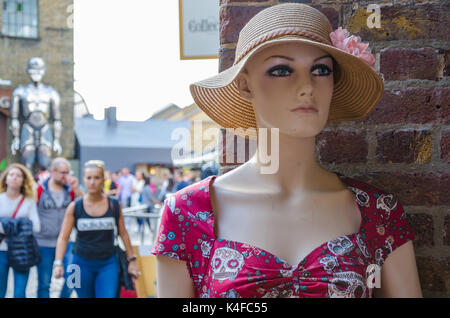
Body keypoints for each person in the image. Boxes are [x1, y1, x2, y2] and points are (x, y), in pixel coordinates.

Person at [151, 3, 422, 298]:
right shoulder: (187, 213)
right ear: (245, 86)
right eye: (281, 70)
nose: (307, 86)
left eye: (320, 69)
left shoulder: (377, 213)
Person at [54, 160, 140, 298]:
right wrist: (58, 263)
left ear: (103, 179)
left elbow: (123, 233)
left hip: (108, 263)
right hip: (80, 264)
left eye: (96, 177)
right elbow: (63, 237)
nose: (92, 182)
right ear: (84, 179)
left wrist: (132, 260)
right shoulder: (75, 206)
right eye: (89, 178)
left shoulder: (114, 205)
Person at [34, 157, 83, 298]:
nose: (66, 176)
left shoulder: (71, 190)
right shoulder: (40, 189)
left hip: (68, 242)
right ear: (52, 171)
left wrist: (76, 188)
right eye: (63, 172)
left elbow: (87, 203)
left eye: (68, 172)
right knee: (44, 283)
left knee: (74, 276)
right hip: (44, 243)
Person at [0, 163, 40, 298]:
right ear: (5, 178)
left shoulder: (28, 202)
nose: (14, 178)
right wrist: (22, 224)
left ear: (24, 180)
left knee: (19, 293)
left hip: (22, 252)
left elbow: (36, 227)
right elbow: (28, 226)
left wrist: (6, 223)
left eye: (18, 175)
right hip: (1, 251)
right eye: (11, 174)